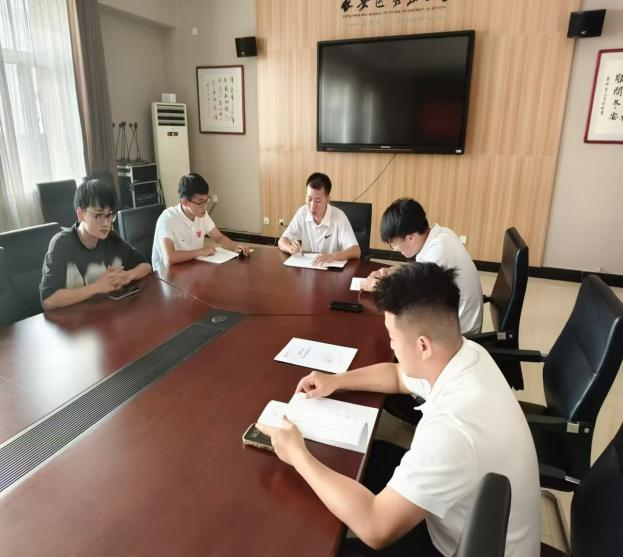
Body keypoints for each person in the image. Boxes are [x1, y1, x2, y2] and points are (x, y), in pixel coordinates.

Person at [258, 263, 540, 557]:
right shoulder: (464, 353)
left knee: (323, 543)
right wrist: (336, 381)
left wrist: (297, 455)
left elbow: (376, 526)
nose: (391, 346)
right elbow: (397, 376)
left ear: (423, 346)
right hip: (466, 522)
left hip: (461, 548)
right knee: (370, 458)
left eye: (392, 338)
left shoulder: (452, 428)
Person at [362, 198, 482, 336]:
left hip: (460, 334)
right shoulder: (442, 234)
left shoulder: (438, 253)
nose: (394, 248)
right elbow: (421, 269)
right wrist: (391, 271)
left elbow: (407, 300)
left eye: (393, 243)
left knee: (394, 327)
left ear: (411, 238)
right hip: (454, 317)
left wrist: (375, 286)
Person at [40, 178, 152, 310]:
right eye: (98, 216)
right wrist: (97, 287)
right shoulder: (61, 244)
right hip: (73, 320)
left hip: (104, 314)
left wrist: (127, 276)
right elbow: (48, 300)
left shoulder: (110, 238)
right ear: (81, 214)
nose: (106, 223)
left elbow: (145, 265)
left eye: (109, 215)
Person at [151, 173, 249, 275]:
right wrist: (200, 252)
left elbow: (219, 238)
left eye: (206, 201)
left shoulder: (201, 214)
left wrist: (235, 246)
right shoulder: (167, 218)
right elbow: (170, 258)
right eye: (200, 202)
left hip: (192, 268)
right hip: (167, 275)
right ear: (184, 202)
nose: (205, 207)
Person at [278, 172, 361, 266]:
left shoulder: (339, 216)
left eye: (317, 201)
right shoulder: (302, 212)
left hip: (331, 269)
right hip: (308, 267)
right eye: (309, 199)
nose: (312, 206)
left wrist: (333, 256)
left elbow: (356, 251)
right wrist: (290, 248)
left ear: (327, 200)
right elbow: (282, 241)